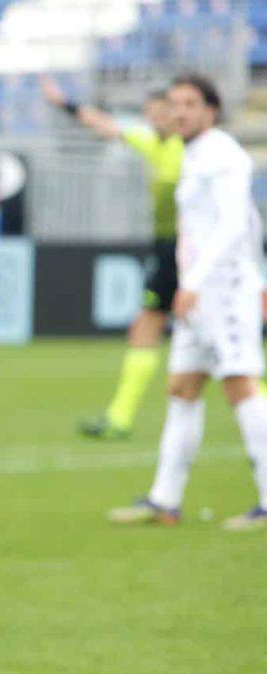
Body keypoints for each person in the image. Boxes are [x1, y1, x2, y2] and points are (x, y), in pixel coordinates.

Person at [108, 74, 267, 531]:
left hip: (224, 291)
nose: (180, 112)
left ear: (211, 110)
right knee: (182, 388)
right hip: (198, 296)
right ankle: (165, 500)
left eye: (190, 104)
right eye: (174, 104)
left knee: (241, 385)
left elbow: (236, 224)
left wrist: (197, 280)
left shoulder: (224, 156)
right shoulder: (193, 154)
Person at [41, 77, 186, 440]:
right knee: (153, 327)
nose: (153, 120)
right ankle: (120, 417)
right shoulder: (152, 141)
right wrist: (65, 104)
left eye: (159, 113)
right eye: (150, 114)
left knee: (158, 327)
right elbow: (105, 124)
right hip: (168, 246)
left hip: (189, 249)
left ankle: (121, 417)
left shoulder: (194, 152)